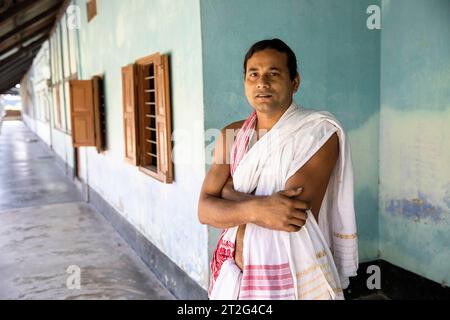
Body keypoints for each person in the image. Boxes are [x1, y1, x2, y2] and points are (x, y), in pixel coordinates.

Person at [198, 39, 358, 300]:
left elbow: (287, 216)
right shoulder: (231, 134)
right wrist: (259, 208)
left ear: (294, 82)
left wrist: (228, 194)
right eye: (254, 74)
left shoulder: (318, 132)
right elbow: (204, 211)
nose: (262, 82)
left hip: (294, 274)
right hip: (235, 274)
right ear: (245, 82)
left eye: (273, 73)